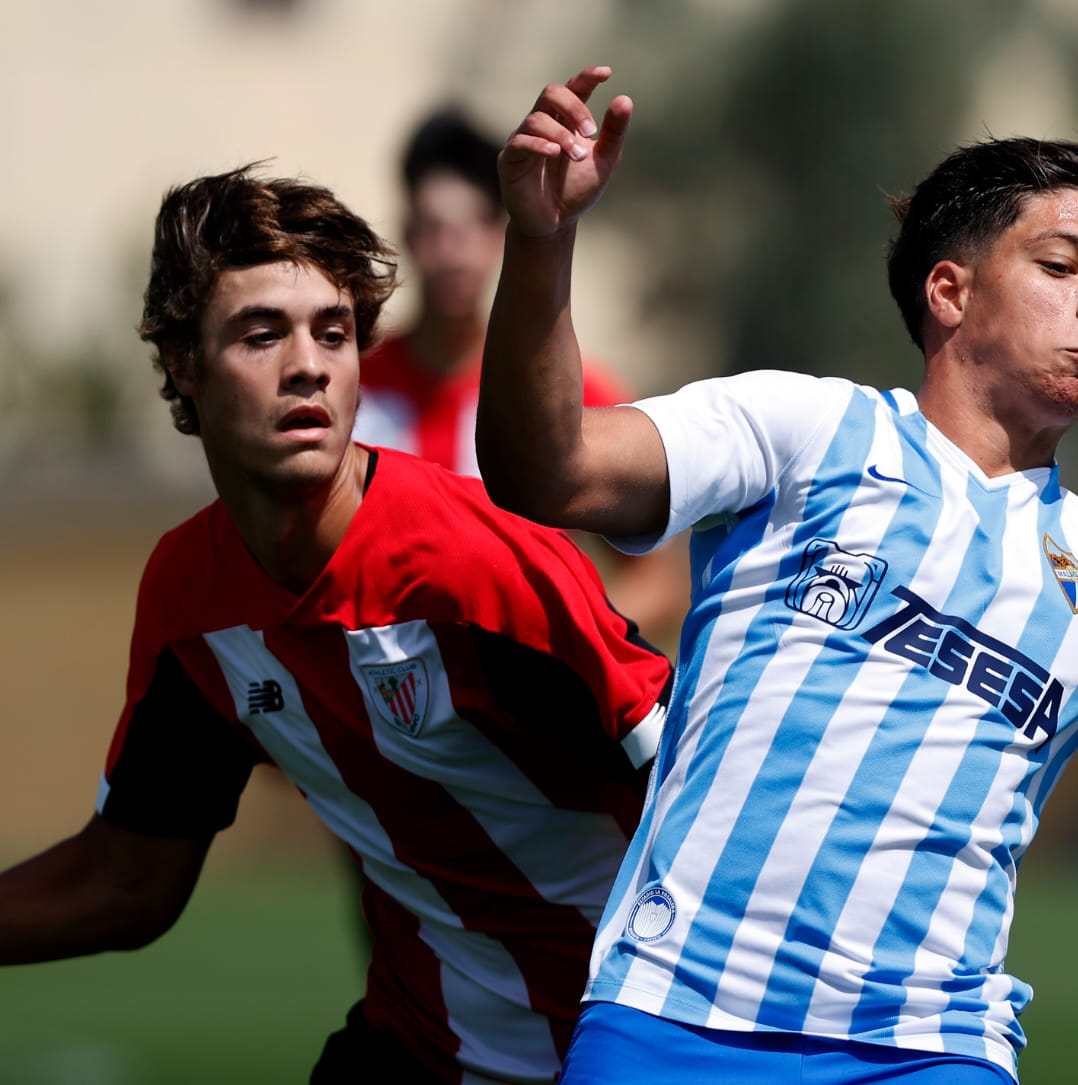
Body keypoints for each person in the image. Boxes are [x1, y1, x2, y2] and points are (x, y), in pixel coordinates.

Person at [473, 67, 1078, 1085]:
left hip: (932, 1049)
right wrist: (543, 238)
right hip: (672, 1016)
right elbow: (546, 467)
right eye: (1063, 266)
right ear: (948, 288)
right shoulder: (803, 431)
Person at [0, 165, 673, 1085]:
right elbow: (125, 881)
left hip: (626, 1046)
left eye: (335, 332)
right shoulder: (189, 599)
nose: (309, 363)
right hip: (419, 1048)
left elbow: (702, 805)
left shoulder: (479, 568)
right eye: (261, 332)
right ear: (182, 364)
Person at [355, 107, 685, 645]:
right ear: (408, 235)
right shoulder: (351, 387)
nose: (453, 251)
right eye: (435, 227)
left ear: (500, 232)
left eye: (473, 224)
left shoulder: (567, 395)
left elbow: (658, 581)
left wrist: (553, 648)